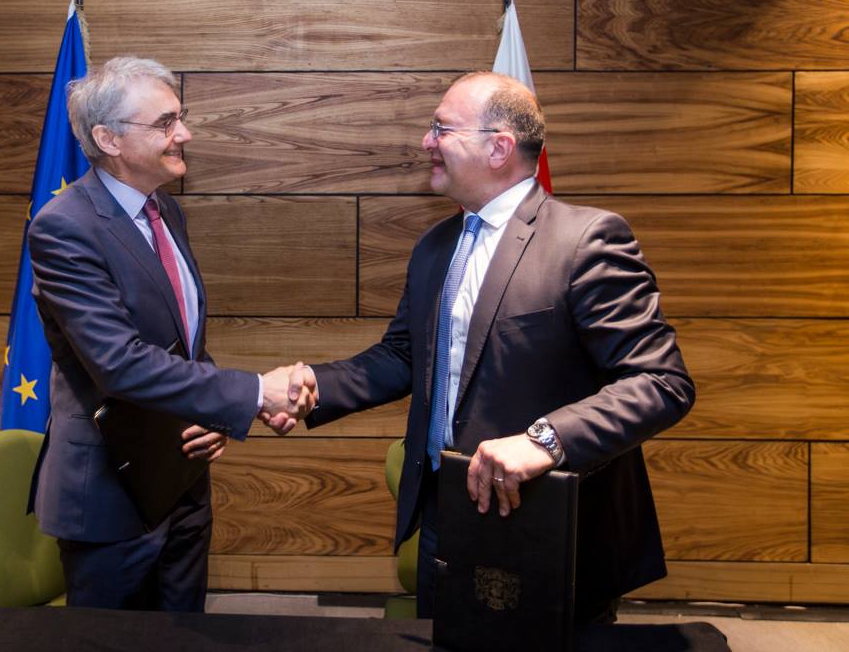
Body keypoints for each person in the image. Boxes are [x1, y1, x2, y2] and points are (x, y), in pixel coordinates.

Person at [266, 71, 694, 623]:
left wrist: (545, 441)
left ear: (499, 148)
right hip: (445, 512)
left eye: (441, 128)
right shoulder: (435, 245)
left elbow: (661, 383)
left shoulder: (586, 240)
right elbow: (404, 357)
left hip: (545, 517)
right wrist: (316, 386)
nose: (426, 141)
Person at [27, 56, 313, 611]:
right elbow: (120, 364)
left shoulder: (165, 212)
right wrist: (255, 392)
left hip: (182, 478)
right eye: (165, 123)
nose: (184, 134)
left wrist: (217, 412)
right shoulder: (65, 227)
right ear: (108, 139)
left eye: (179, 118)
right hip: (110, 492)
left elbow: (182, 341)